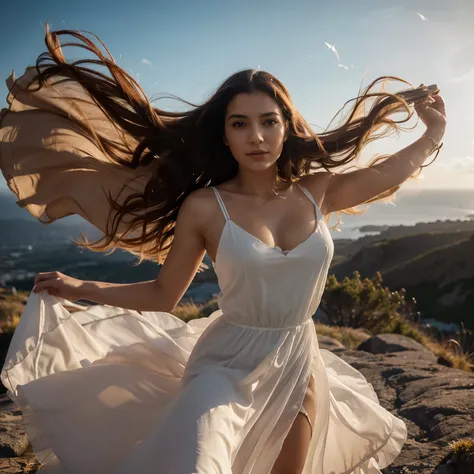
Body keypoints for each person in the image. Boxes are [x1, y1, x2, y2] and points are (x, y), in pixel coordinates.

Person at [0, 26, 446, 474]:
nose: (256, 136)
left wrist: (433, 134)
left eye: (268, 121)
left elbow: (390, 171)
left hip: (296, 363)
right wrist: (79, 286)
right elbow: (163, 295)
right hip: (223, 365)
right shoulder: (205, 207)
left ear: (286, 127)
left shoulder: (318, 192)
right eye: (240, 124)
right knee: (198, 465)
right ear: (225, 135)